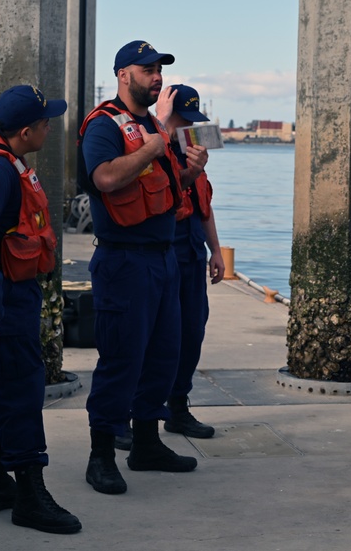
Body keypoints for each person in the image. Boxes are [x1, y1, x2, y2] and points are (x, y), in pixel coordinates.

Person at [79, 40, 197, 495]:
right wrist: (156, 144)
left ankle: (147, 443)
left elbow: (160, 192)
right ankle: (101, 455)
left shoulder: (151, 126)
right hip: (124, 261)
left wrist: (186, 174)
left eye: (160, 69)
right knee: (121, 359)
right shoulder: (104, 125)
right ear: (123, 74)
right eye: (147, 69)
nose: (157, 77)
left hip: (163, 258)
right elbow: (105, 178)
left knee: (164, 355)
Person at [0, 85, 82, 533]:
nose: (50, 127)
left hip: (10, 299)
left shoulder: (4, 160)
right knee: (20, 393)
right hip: (5, 304)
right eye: (44, 122)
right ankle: (30, 495)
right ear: (25, 131)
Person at [155, 84, 224, 438]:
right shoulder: (153, 149)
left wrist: (216, 251)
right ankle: (133, 416)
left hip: (193, 252)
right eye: (184, 120)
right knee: (154, 338)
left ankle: (178, 408)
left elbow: (204, 206)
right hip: (164, 251)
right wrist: (161, 128)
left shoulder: (194, 154)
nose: (191, 128)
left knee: (192, 332)